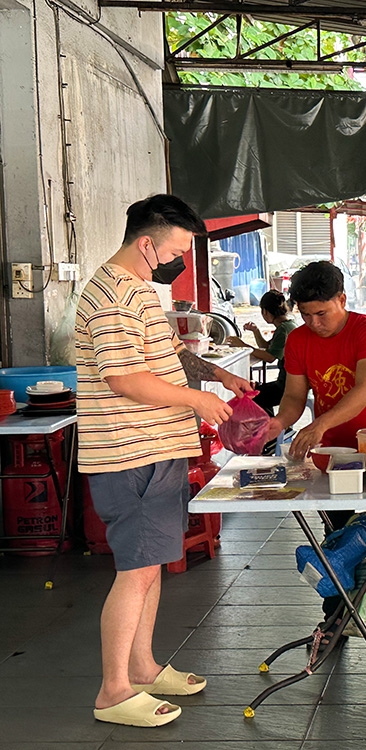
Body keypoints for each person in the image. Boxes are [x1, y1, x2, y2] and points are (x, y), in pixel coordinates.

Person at [76, 194, 253, 728]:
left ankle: (145, 668)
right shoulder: (111, 296)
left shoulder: (140, 291)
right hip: (131, 453)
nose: (180, 261)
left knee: (150, 566)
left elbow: (167, 356)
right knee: (135, 571)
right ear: (148, 242)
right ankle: (113, 690)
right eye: (177, 249)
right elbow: (124, 379)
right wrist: (199, 401)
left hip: (159, 451)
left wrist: (214, 375)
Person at [262, 260, 366, 560]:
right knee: (337, 528)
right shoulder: (298, 340)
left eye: (321, 313)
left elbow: (365, 390)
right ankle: (339, 605)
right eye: (305, 315)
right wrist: (278, 423)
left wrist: (318, 425)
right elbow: (293, 397)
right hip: (333, 451)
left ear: (341, 300)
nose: (314, 323)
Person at [227, 290, 297, 415]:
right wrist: (255, 331)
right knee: (259, 391)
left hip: (287, 387)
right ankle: (271, 424)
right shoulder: (288, 325)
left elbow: (269, 357)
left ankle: (270, 427)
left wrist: (243, 346)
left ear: (265, 311)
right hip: (290, 384)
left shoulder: (283, 330)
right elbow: (267, 347)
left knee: (253, 395)